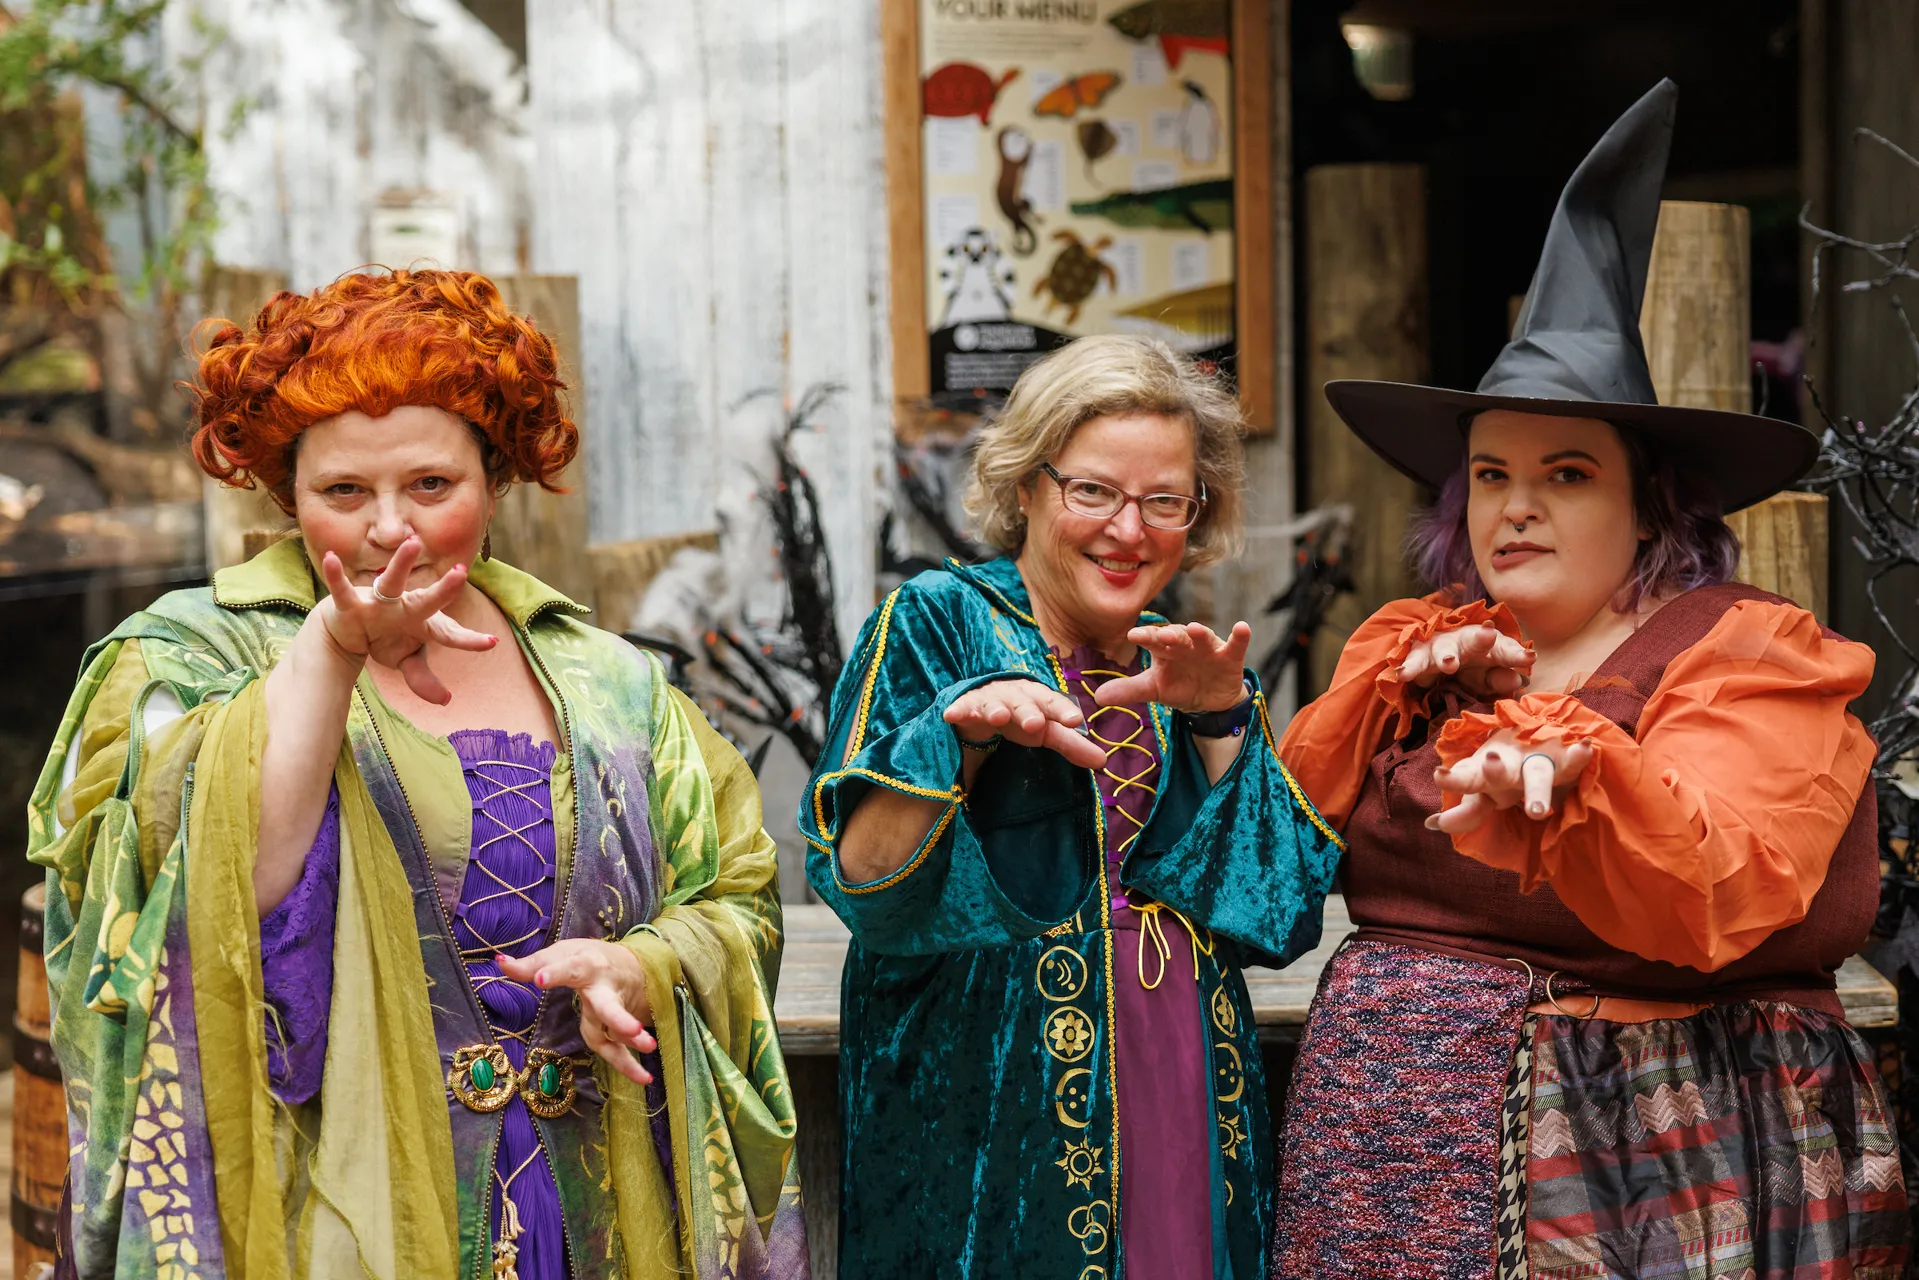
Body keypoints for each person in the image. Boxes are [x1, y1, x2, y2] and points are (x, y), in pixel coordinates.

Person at [27, 269, 807, 1280]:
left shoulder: (611, 683)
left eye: (431, 485)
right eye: (343, 491)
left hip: (587, 1213)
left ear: (496, 478)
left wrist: (642, 966)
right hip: (328, 1214)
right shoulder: (186, 661)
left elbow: (736, 893)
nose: (388, 526)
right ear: (287, 493)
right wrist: (331, 652)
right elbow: (210, 900)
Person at [1272, 81, 1910, 1278]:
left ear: (1649, 503)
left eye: (1564, 472)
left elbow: (1715, 879)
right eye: (1490, 474)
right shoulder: (1412, 648)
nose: (1515, 505)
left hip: (1637, 1157)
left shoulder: (1748, 654)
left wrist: (1574, 775)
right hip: (1374, 1150)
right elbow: (1272, 859)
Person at [801, 334, 1345, 1280]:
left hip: (1182, 1073)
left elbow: (1280, 919)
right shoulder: (937, 620)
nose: (1128, 531)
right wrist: (962, 736)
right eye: (1093, 491)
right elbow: (865, 888)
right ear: (1026, 486)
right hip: (987, 1094)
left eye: (1164, 500)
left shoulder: (1190, 666)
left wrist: (1220, 718)